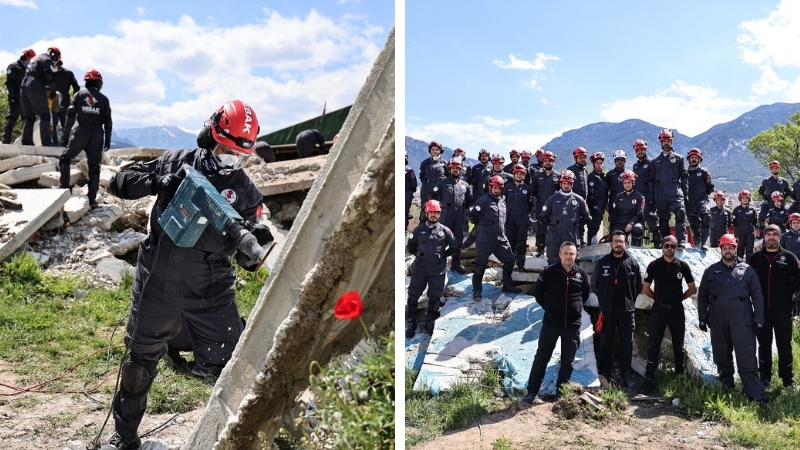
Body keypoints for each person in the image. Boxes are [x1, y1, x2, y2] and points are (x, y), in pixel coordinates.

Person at [100, 100, 270, 449]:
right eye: (224, 150)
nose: (229, 161)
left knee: (233, 367)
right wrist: (158, 181)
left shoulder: (245, 193)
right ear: (208, 136)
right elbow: (119, 182)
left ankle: (242, 438)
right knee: (138, 364)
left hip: (210, 289)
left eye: (238, 156)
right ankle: (125, 436)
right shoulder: (176, 162)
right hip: (157, 280)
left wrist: (255, 245)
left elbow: (249, 257)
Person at [697, 234, 766, 406]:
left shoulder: (748, 270)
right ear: (721, 249)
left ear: (736, 249)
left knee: (746, 353)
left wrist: (758, 317)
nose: (728, 251)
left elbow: (757, 295)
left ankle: (755, 394)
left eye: (730, 248)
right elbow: (703, 295)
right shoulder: (711, 271)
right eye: (725, 248)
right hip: (717, 317)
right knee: (721, 353)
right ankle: (726, 387)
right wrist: (702, 317)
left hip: (742, 317)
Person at [521, 241, 590, 404]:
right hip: (551, 324)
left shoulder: (581, 274)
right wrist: (551, 309)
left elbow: (585, 295)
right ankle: (532, 393)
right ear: (560, 255)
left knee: (568, 361)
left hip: (572, 326)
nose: (568, 256)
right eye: (565, 253)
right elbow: (539, 294)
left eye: (571, 254)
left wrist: (575, 310)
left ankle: (561, 394)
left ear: (576, 256)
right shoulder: (549, 272)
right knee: (541, 358)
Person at [639, 235, 697, 394]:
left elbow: (692, 288)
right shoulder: (654, 265)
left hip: (677, 310)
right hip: (659, 310)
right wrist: (658, 299)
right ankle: (649, 378)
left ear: (676, 248)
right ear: (662, 247)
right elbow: (646, 288)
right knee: (654, 344)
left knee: (678, 345)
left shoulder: (683, 266)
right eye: (667, 246)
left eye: (672, 246)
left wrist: (680, 298)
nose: (669, 248)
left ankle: (679, 377)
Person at [749, 224, 800, 388]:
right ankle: (765, 378)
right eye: (768, 234)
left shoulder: (789, 257)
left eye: (774, 234)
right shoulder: (756, 258)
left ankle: (787, 379)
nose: (771, 237)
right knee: (764, 345)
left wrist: (786, 294)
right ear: (764, 236)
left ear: (779, 236)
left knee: (784, 345)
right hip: (761, 311)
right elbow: (749, 281)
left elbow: (797, 281)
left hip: (783, 311)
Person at [591, 230, 642, 389]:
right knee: (606, 341)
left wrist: (630, 301)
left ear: (625, 243)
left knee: (627, 343)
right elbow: (594, 284)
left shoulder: (632, 263)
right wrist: (604, 299)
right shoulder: (602, 263)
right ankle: (605, 372)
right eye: (616, 241)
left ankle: (626, 373)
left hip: (626, 310)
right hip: (608, 310)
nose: (618, 244)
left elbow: (638, 286)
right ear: (611, 243)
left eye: (621, 241)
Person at [59, 69, 112, 209]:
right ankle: (92, 200)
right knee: (94, 167)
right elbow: (108, 122)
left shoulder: (78, 95)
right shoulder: (104, 99)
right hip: (97, 134)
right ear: (99, 83)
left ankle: (63, 189)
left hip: (81, 132)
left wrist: (65, 135)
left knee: (65, 157)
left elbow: (70, 116)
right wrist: (108, 139)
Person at [406, 199, 460, 338]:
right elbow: (410, 246)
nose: (433, 215)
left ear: (439, 214)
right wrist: (419, 255)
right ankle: (411, 321)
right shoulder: (419, 230)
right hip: (420, 268)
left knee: (435, 296)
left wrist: (444, 255)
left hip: (437, 269)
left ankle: (430, 320)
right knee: (413, 295)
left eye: (436, 212)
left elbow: (455, 246)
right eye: (431, 212)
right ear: (426, 213)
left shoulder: (445, 231)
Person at [469, 175, 521, 300]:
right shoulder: (483, 201)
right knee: (481, 265)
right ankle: (477, 291)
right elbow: (472, 216)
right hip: (485, 239)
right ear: (490, 187)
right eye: (495, 188)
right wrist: (482, 226)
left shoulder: (502, 202)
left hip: (500, 238)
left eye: (499, 188)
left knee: (509, 260)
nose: (497, 190)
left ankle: (507, 285)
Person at [539, 170, 591, 265]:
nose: (566, 185)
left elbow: (587, 217)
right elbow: (543, 217)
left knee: (573, 263)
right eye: (564, 183)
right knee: (553, 263)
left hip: (572, 236)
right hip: (554, 237)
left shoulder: (578, 199)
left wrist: (576, 225)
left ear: (572, 184)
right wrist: (553, 225)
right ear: (560, 183)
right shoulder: (552, 199)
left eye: (569, 183)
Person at [430, 157, 470, 274]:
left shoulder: (465, 185)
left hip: (459, 217)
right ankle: (438, 264)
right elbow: (433, 197)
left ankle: (455, 265)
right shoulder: (442, 183)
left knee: (458, 242)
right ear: (449, 169)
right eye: (453, 168)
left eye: (457, 168)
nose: (455, 170)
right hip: (445, 217)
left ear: (460, 169)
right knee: (440, 240)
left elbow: (469, 201)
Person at [652, 129, 689, 247]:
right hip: (661, 193)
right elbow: (652, 181)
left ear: (672, 141)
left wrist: (686, 192)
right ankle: (667, 242)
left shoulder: (679, 159)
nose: (666, 143)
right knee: (663, 220)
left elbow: (684, 176)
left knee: (680, 212)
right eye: (664, 141)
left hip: (675, 192)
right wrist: (653, 197)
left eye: (668, 141)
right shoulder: (655, 161)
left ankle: (681, 240)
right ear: (661, 142)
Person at [20, 46, 60, 147]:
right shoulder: (46, 59)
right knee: (45, 115)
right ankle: (46, 142)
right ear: (53, 55)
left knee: (29, 116)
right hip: (35, 86)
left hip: (24, 85)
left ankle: (26, 142)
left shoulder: (35, 59)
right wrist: (53, 91)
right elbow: (49, 76)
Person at [503, 163, 533, 272]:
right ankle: (509, 264)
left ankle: (520, 264)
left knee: (521, 242)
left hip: (522, 219)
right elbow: (503, 203)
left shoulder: (528, 189)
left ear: (524, 175)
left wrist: (523, 213)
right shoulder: (507, 188)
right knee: (510, 241)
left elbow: (530, 204)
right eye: (517, 173)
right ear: (514, 174)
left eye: (521, 173)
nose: (519, 175)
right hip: (510, 218)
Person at [2, 48, 36, 144]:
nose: (30, 61)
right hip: (16, 96)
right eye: (29, 59)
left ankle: (27, 141)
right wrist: (12, 96)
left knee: (27, 119)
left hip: (26, 98)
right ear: (25, 57)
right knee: (12, 118)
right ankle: (6, 140)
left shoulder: (29, 69)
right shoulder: (13, 67)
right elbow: (9, 83)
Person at [531, 151, 560, 257]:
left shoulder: (558, 176)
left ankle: (554, 251)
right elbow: (534, 191)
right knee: (541, 230)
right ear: (543, 162)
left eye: (549, 160)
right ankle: (540, 250)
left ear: (554, 161)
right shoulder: (538, 176)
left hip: (554, 209)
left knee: (554, 230)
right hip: (541, 207)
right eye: (545, 160)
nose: (547, 162)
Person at [632, 139, 660, 246]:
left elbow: (654, 182)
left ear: (645, 150)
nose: (640, 152)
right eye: (638, 150)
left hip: (648, 197)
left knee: (652, 221)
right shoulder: (635, 166)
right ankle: (637, 246)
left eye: (642, 150)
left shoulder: (651, 163)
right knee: (638, 222)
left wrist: (653, 199)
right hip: (637, 199)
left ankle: (658, 245)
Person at [686, 148, 715, 250]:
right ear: (689, 159)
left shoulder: (704, 172)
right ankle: (697, 242)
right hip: (689, 203)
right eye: (692, 157)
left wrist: (702, 195)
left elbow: (710, 187)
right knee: (693, 224)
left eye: (696, 157)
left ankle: (703, 242)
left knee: (706, 217)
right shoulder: (684, 173)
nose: (694, 159)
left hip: (702, 201)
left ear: (699, 159)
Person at [609, 170, 645, 247]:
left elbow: (640, 213)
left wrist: (631, 223)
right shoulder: (619, 197)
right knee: (615, 236)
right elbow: (615, 213)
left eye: (629, 182)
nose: (627, 185)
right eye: (625, 183)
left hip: (636, 222)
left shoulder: (640, 197)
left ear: (633, 183)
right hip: (622, 223)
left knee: (637, 229)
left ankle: (636, 245)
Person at [758, 161, 792, 229]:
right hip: (769, 205)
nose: (775, 169)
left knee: (785, 220)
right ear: (771, 169)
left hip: (780, 206)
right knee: (761, 218)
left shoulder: (784, 181)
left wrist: (783, 199)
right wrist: (766, 198)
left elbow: (788, 192)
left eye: (776, 168)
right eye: (773, 168)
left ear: (779, 169)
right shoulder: (765, 181)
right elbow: (761, 191)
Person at [418, 140, 447, 221]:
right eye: (433, 149)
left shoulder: (445, 163)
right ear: (430, 150)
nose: (435, 151)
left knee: (439, 210)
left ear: (440, 151)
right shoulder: (425, 163)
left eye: (437, 149)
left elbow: (448, 177)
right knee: (425, 210)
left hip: (440, 192)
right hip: (427, 190)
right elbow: (422, 176)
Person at [51, 59, 80, 138]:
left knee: (65, 125)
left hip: (65, 102)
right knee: (52, 124)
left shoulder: (68, 73)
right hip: (53, 101)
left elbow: (76, 87)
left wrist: (73, 101)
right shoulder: (49, 73)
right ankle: (54, 142)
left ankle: (65, 142)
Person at [567, 147, 589, 247]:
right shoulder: (570, 170)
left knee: (581, 224)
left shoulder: (585, 171)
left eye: (584, 157)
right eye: (580, 157)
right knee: (573, 225)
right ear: (575, 158)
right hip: (572, 203)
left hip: (583, 203)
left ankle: (580, 243)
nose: (582, 159)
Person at [586, 151, 607, 246]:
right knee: (592, 229)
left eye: (601, 163)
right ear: (594, 164)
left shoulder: (602, 177)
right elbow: (591, 194)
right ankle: (590, 247)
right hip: (594, 208)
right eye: (597, 163)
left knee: (596, 227)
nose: (599, 165)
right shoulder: (592, 177)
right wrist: (594, 207)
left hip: (601, 208)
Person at [732, 190, 758, 260]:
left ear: (749, 199)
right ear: (740, 199)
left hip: (750, 232)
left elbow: (755, 221)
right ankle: (739, 264)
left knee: (749, 251)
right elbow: (734, 221)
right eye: (743, 198)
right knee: (740, 250)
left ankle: (749, 265)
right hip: (739, 232)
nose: (745, 199)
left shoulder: (753, 210)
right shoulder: (736, 210)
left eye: (746, 198)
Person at [405, 151, 418, 232]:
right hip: (407, 193)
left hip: (407, 193)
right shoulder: (409, 171)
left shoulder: (409, 171)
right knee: (405, 212)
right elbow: (414, 184)